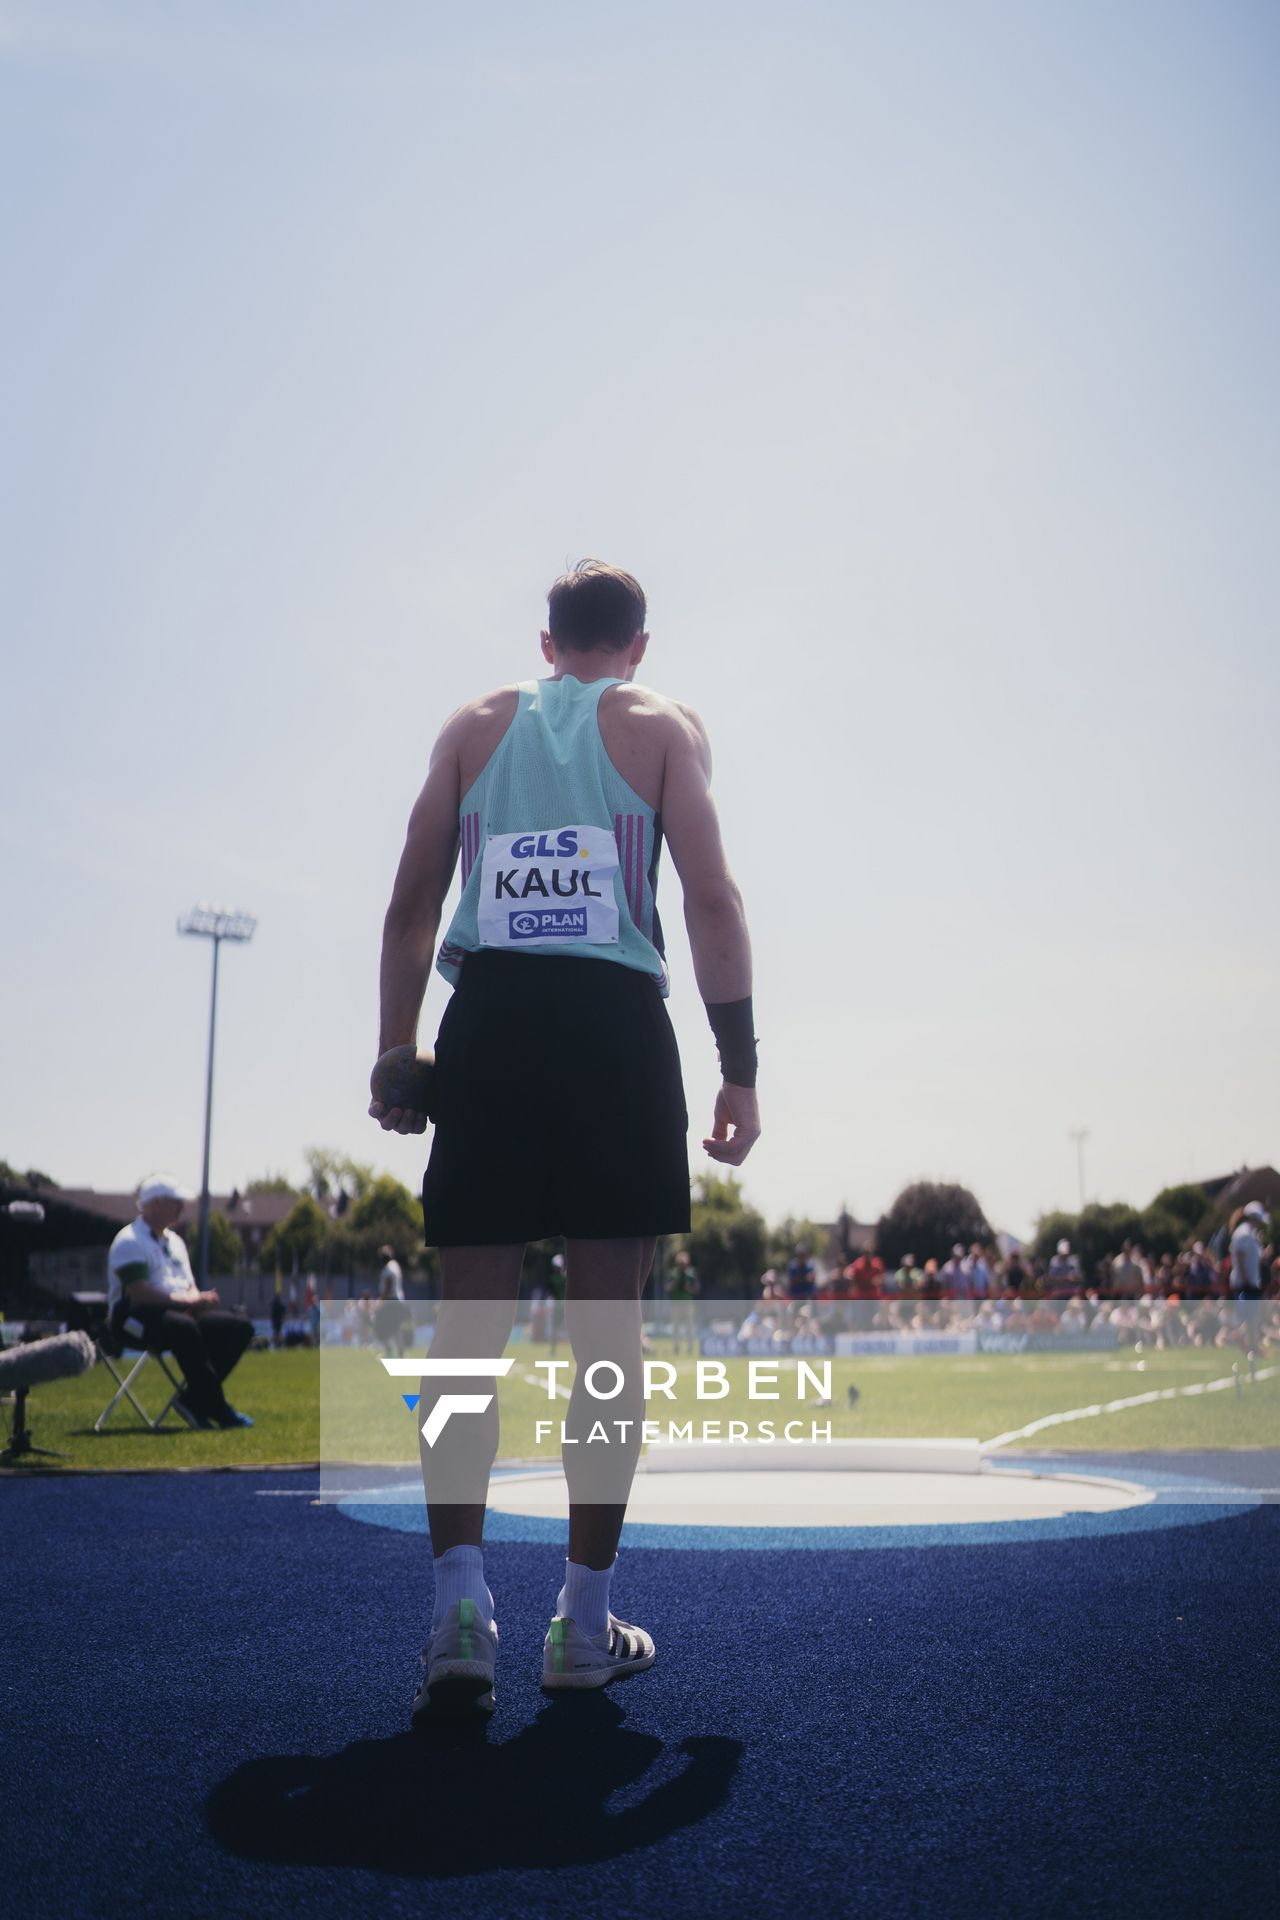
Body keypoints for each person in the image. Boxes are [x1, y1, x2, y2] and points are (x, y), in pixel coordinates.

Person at [371, 560, 759, 1718]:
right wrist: (740, 1071)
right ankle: (582, 1625)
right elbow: (711, 902)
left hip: (485, 1024)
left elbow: (406, 905)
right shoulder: (662, 727)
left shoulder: (471, 727)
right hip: (610, 1030)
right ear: (636, 645)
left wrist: (397, 1048)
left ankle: (457, 1613)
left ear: (546, 644)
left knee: (466, 1328)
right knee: (606, 1329)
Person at [106, 1176, 254, 1430]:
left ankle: (195, 1400)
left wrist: (199, 1300)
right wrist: (186, 1301)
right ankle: (216, 1406)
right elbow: (139, 1292)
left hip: (178, 1314)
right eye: (175, 1202)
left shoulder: (175, 1242)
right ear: (154, 1204)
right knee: (182, 1327)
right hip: (132, 1318)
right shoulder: (129, 1240)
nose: (181, 1208)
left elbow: (188, 1285)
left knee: (239, 1326)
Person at [1230, 1202, 1268, 1352]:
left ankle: (1251, 1345)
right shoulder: (1244, 1233)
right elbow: (1239, 1256)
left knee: (1252, 1316)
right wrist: (1245, 1278)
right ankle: (1239, 1338)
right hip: (1245, 1283)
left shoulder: (1249, 1233)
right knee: (1250, 1316)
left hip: (1250, 1281)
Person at [374, 1243, 412, 1358]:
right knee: (395, 1328)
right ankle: (399, 1353)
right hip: (396, 1301)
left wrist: (380, 1300)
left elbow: (388, 1287)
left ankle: (391, 1351)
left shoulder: (389, 1268)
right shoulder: (394, 1265)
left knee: (381, 1326)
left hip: (391, 1301)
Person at [668, 1248, 701, 1355]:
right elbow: (667, 1288)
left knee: (689, 1328)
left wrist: (689, 1289)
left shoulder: (691, 1274)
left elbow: (697, 1288)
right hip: (676, 1304)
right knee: (676, 1328)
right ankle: (676, 1348)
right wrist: (674, 1283)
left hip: (687, 1304)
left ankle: (690, 1348)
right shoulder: (673, 1273)